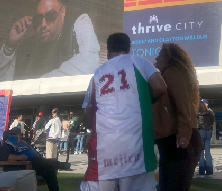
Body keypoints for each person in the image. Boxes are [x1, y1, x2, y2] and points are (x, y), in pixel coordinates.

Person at [81, 32, 166, 191]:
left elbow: (87, 114)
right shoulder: (138, 61)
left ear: (108, 51)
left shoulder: (97, 74)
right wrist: (147, 100)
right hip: (135, 148)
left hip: (104, 151)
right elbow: (160, 86)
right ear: (129, 48)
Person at [0, 0, 100, 81]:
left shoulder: (79, 21)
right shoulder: (27, 46)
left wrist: (34, 86)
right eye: (39, 18)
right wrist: (10, 45)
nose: (43, 24)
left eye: (50, 15)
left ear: (62, 12)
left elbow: (89, 62)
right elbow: (0, 82)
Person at [153, 43, 204, 191]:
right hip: (174, 142)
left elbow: (183, 106)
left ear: (170, 58)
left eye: (160, 55)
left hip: (179, 142)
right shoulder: (167, 75)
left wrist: (183, 135)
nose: (156, 58)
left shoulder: (172, 73)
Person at [0, 127, 70, 191]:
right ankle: (58, 164)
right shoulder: (7, 144)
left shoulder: (24, 143)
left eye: (16, 134)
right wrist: (19, 157)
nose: (13, 136)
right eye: (11, 134)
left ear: (20, 135)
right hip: (23, 166)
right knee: (37, 160)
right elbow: (1, 155)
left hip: (36, 165)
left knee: (49, 170)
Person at [196, 99, 214, 178]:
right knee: (207, 152)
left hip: (201, 131)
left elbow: (196, 122)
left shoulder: (198, 112)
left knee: (200, 152)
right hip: (208, 131)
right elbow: (212, 121)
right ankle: (209, 172)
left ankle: (201, 172)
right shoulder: (210, 112)